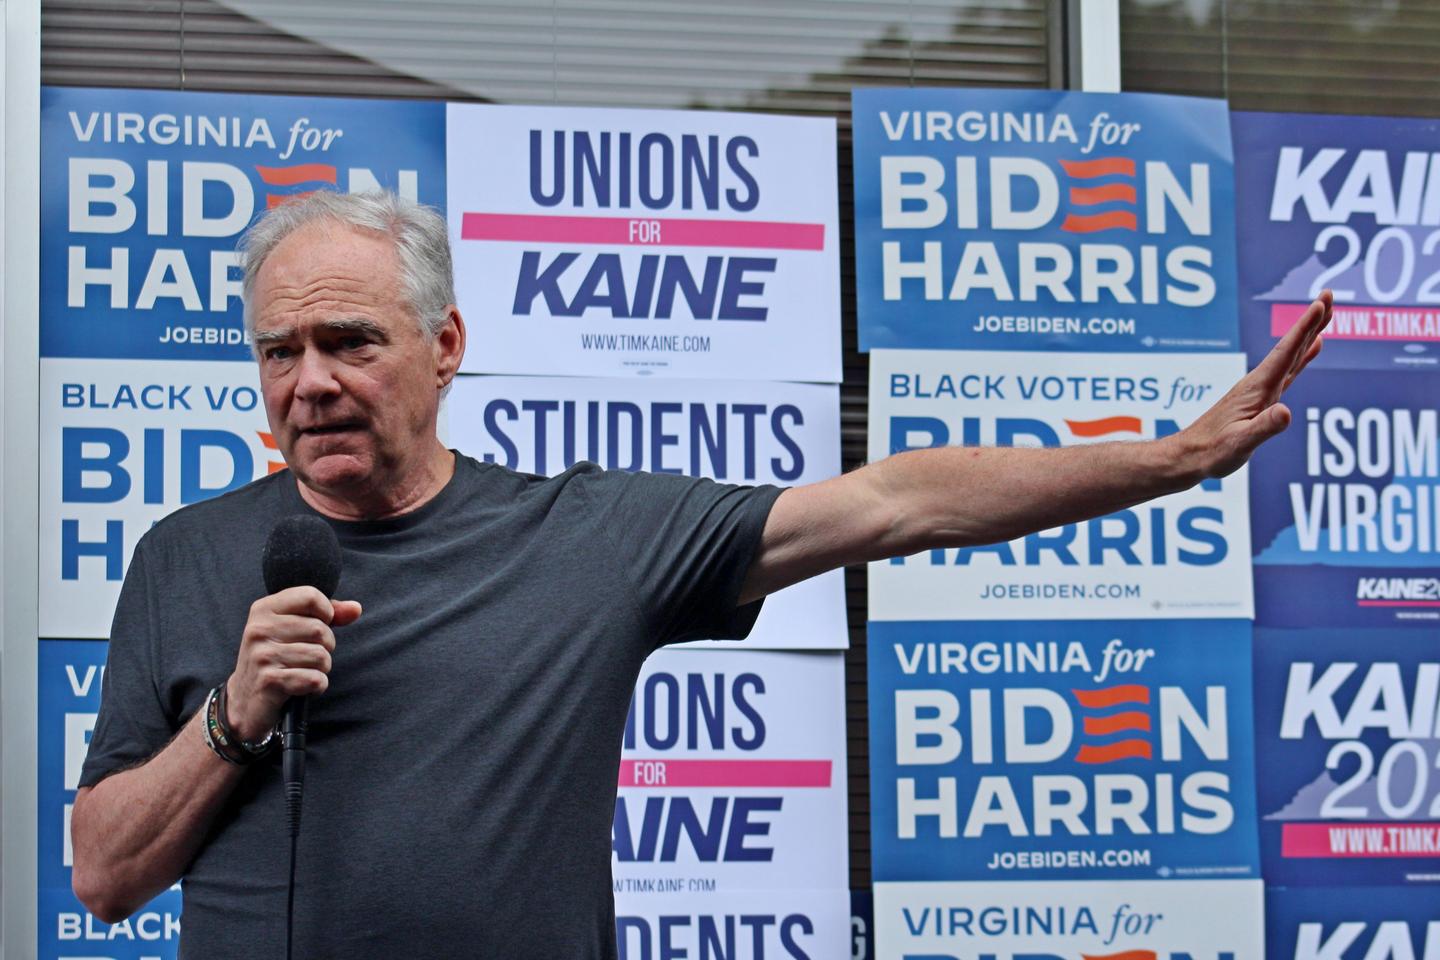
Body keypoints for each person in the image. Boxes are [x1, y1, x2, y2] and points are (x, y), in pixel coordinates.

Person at [70, 191, 1332, 959]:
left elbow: (897, 501)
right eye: (277, 351)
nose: (311, 382)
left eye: (349, 340)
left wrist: (1164, 462)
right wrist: (235, 718)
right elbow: (103, 874)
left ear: (445, 346)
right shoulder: (187, 556)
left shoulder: (585, 534)